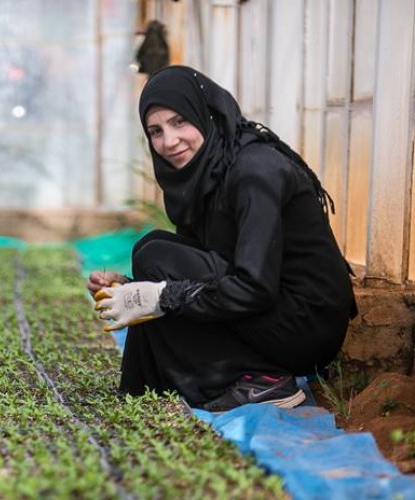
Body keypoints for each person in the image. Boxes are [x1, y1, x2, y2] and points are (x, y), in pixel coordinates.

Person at [87, 66, 357, 412]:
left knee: (159, 261)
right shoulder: (207, 171)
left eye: (180, 122)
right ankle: (187, 379)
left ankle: (264, 380)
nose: (169, 141)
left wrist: (162, 294)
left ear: (206, 114)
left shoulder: (255, 171)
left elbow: (253, 287)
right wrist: (131, 289)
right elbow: (205, 263)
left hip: (304, 324)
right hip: (270, 307)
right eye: (156, 130)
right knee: (150, 250)